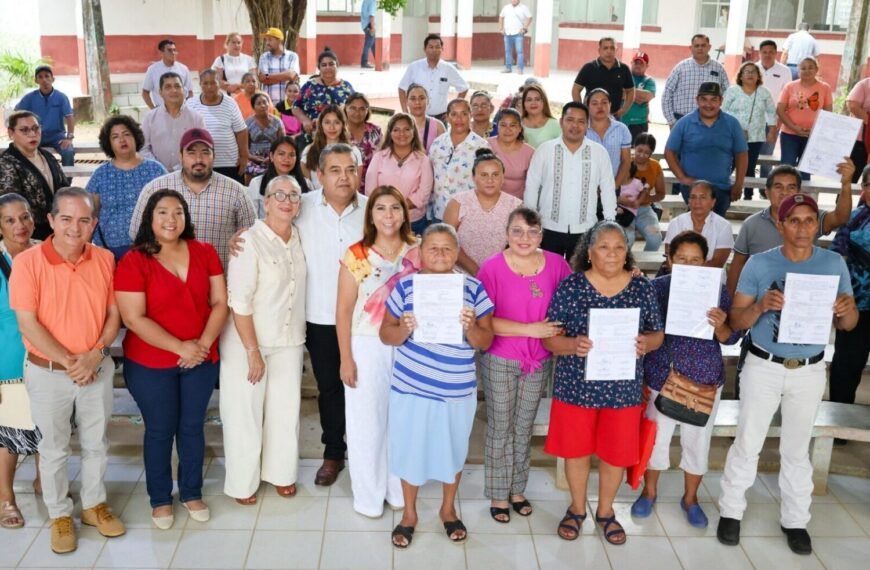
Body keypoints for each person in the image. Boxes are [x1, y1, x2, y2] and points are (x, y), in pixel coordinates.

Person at [717, 193, 858, 556]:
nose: (802, 228)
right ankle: (731, 511)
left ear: (817, 224)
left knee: (797, 449)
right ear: (780, 225)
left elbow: (850, 323)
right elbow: (736, 321)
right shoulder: (761, 266)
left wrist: (845, 310)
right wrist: (763, 305)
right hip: (764, 364)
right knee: (748, 442)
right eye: (793, 220)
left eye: (809, 220)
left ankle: (796, 520)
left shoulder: (833, 263)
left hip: (809, 369)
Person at [10, 187, 125, 554]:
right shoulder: (28, 263)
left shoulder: (105, 258)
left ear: (93, 223)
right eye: (66, 219)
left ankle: (93, 506)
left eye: (84, 220)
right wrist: (70, 362)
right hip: (47, 373)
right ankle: (60, 514)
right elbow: (28, 324)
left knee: (96, 444)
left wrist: (96, 354)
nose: (75, 228)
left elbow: (114, 315)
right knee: (54, 449)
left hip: (97, 368)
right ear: (51, 221)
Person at [542, 221, 663, 544]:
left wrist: (645, 344)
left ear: (627, 253)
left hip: (622, 388)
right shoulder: (572, 287)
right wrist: (572, 345)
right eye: (604, 247)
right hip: (575, 387)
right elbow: (551, 339)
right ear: (590, 252)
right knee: (576, 451)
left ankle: (606, 511)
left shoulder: (641, 288)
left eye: (619, 247)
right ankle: (577, 509)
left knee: (615, 453)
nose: (612, 253)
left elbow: (657, 334)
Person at [115, 189, 226, 529]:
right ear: (150, 218)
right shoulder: (134, 260)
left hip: (201, 360)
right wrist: (182, 348)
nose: (170, 219)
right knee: (161, 430)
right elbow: (133, 318)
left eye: (177, 212)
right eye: (162, 212)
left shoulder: (204, 251)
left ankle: (191, 491)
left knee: (192, 428)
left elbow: (220, 302)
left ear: (186, 217)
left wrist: (202, 345)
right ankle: (161, 498)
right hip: (151, 363)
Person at [380, 223, 494, 548]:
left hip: (455, 389)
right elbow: (385, 334)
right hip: (410, 387)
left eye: (448, 248)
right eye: (434, 248)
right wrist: (402, 328)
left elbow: (486, 340)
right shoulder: (405, 287)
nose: (441, 254)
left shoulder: (473, 288)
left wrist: (471, 329)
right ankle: (410, 514)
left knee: (453, 450)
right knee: (409, 449)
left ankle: (447, 509)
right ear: (420, 253)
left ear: (457, 253)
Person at [631, 231, 740, 528]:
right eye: (682, 259)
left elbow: (731, 338)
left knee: (697, 444)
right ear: (669, 259)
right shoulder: (656, 289)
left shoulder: (717, 292)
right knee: (656, 441)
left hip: (704, 381)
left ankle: (690, 499)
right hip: (661, 378)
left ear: (705, 262)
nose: (689, 265)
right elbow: (639, 332)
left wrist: (720, 326)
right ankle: (649, 492)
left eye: (695, 259)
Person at [477, 207, 571, 523]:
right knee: (501, 425)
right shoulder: (491, 268)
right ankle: (498, 493)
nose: (524, 238)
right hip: (500, 358)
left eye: (532, 232)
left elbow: (574, 300)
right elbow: (485, 321)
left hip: (538, 361)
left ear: (541, 235)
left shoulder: (556, 265)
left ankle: (517, 489)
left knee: (523, 426)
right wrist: (529, 329)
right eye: (517, 231)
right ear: (506, 234)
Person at [221, 176, 306, 505]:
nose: (287, 201)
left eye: (294, 196)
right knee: (244, 413)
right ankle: (243, 483)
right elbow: (239, 301)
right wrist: (252, 351)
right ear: (266, 202)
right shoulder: (249, 241)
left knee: (286, 411)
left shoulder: (300, 236)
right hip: (248, 340)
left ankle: (280, 473)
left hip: (289, 338)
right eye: (279, 195)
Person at [336, 185, 419, 517]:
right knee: (366, 422)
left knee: (402, 420)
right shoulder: (356, 254)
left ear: (404, 213)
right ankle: (368, 496)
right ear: (371, 215)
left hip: (410, 343)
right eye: (381, 208)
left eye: (395, 208)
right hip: (367, 344)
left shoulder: (418, 250)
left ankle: (398, 489)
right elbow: (342, 311)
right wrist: (346, 358)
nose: (389, 215)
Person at [131, 128, 256, 268]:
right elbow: (138, 234)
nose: (198, 159)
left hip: (222, 279)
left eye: (205, 152)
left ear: (214, 155)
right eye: (191, 153)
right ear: (180, 155)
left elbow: (253, 236)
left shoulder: (235, 191)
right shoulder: (155, 188)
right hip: (169, 281)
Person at [726, 163, 855, 295]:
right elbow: (737, 265)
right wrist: (730, 304)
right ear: (767, 192)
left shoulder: (810, 218)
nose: (785, 192)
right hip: (762, 300)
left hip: (805, 294)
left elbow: (841, 218)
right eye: (778, 187)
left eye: (791, 187)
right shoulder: (751, 224)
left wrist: (846, 185)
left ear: (799, 192)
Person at [524, 102, 616, 258]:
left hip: (585, 229)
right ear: (561, 122)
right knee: (549, 277)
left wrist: (609, 223)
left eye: (581, 122)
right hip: (548, 228)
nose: (575, 126)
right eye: (570, 120)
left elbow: (607, 189)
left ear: (588, 125)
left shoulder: (599, 153)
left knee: (581, 278)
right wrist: (531, 224)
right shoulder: (544, 150)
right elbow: (531, 187)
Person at [0, 194, 42, 530]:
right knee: (9, 435)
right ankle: (6, 498)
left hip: (46, 354)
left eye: (25, 217)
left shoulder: (46, 252)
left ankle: (45, 481)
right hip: (9, 359)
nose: (20, 225)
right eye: (11, 220)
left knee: (49, 426)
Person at [86, 115, 167, 261]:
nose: (122, 140)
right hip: (110, 252)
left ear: (136, 137)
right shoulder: (100, 174)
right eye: (115, 137)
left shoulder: (155, 170)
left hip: (152, 250)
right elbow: (91, 213)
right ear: (108, 143)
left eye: (126, 134)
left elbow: (169, 207)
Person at [665, 82, 748, 217]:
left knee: (716, 228)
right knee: (696, 227)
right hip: (692, 189)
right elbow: (669, 152)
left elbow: (742, 154)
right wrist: (682, 178)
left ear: (721, 101)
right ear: (697, 100)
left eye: (713, 100)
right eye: (704, 99)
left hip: (721, 188)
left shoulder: (732, 124)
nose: (708, 105)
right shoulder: (684, 123)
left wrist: (739, 184)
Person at [828, 166, 870, 411]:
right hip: (856, 306)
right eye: (869, 185)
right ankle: (839, 416)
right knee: (847, 365)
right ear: (863, 189)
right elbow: (836, 257)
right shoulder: (854, 219)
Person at [443, 149, 523, 275]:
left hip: (499, 273)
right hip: (459, 273)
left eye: (495, 174)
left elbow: (520, 244)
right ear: (473, 177)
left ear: (503, 177)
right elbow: (446, 241)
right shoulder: (458, 203)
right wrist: (477, 271)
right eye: (484, 175)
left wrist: (493, 273)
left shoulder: (515, 206)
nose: (490, 180)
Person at [0, 111, 70, 240]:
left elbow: (64, 187)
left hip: (56, 229)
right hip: (28, 234)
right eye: (24, 130)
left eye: (35, 128)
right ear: (11, 133)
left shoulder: (48, 156)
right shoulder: (6, 163)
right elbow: (11, 204)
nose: (32, 134)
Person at [365, 113, 433, 235]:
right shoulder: (379, 157)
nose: (402, 134)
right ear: (390, 133)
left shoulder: (423, 160)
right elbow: (370, 191)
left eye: (407, 129)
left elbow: (424, 193)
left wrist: (396, 207)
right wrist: (389, 210)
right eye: (396, 130)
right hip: (384, 220)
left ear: (414, 132)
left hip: (413, 222)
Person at [428, 98, 490, 223]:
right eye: (454, 114)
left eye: (464, 114)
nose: (459, 119)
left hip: (466, 216)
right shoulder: (438, 143)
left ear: (470, 115)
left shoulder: (482, 146)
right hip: (438, 213)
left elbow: (486, 183)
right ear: (447, 117)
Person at [723, 62, 777, 200]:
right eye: (746, 71)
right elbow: (722, 111)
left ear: (758, 76)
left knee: (750, 166)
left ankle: (748, 196)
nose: (750, 74)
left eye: (753, 72)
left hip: (755, 137)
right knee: (729, 165)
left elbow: (771, 112)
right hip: (732, 136)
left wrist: (772, 130)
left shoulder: (764, 92)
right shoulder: (732, 91)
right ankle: (725, 193)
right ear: (741, 76)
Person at [187, 69, 249, 183]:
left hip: (230, 163)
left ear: (219, 84)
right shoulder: (190, 104)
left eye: (213, 83)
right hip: (201, 163)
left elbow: (241, 131)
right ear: (200, 84)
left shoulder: (230, 103)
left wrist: (244, 157)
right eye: (205, 83)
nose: (209, 87)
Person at [777, 57, 833, 180]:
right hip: (789, 134)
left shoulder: (825, 88)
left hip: (812, 136)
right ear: (798, 70)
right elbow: (780, 110)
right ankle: (785, 198)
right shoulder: (789, 86)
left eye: (810, 67)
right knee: (786, 168)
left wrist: (816, 130)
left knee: (806, 171)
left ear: (817, 69)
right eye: (803, 68)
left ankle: (804, 198)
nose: (807, 71)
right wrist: (795, 128)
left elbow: (828, 113)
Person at [141, 72, 206, 172]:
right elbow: (143, 148)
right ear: (160, 92)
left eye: (177, 86)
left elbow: (201, 147)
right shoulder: (150, 118)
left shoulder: (196, 118)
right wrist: (159, 169)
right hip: (156, 174)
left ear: (183, 91)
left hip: (188, 174)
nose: (173, 90)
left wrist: (181, 169)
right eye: (168, 87)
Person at [662, 34, 730, 127]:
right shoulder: (680, 68)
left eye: (703, 45)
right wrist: (672, 121)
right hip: (681, 121)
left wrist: (721, 119)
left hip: (711, 122)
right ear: (691, 48)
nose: (700, 48)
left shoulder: (719, 68)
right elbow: (667, 94)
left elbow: (728, 95)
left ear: (709, 47)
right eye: (697, 46)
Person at [398, 34, 469, 122]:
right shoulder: (414, 67)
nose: (434, 50)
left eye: (437, 47)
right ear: (425, 49)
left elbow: (464, 87)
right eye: (431, 47)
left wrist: (453, 110)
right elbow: (402, 89)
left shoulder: (448, 68)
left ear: (442, 49)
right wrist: (405, 112)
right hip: (417, 118)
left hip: (441, 118)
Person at [14, 65, 75, 166]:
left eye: (47, 76)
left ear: (53, 79)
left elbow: (70, 117)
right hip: (35, 135)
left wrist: (69, 138)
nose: (44, 80)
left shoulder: (61, 97)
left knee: (68, 152)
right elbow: (16, 114)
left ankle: (66, 181)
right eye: (40, 77)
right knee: (19, 151)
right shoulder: (29, 98)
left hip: (57, 136)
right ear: (36, 81)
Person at [664, 181, 734, 268]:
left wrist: (691, 273)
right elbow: (669, 257)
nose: (697, 202)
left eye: (703, 197)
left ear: (713, 202)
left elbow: (717, 263)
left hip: (710, 277)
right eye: (693, 197)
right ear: (688, 201)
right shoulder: (676, 223)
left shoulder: (724, 226)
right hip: (679, 277)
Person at [293, 48, 355, 135]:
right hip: (313, 134)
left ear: (337, 65)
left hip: (339, 135)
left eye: (331, 64)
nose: (328, 67)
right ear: (319, 68)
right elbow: (295, 107)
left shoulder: (346, 86)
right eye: (324, 65)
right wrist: (305, 120)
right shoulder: (310, 85)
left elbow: (354, 108)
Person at [300, 105, 362, 191]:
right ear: (321, 125)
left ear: (343, 125)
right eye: (327, 122)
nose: (332, 127)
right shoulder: (309, 150)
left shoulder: (354, 151)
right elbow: (306, 186)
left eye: (336, 122)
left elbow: (355, 187)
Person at [572, 38, 634, 119]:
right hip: (591, 117)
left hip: (614, 116)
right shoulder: (589, 68)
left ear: (616, 50)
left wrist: (623, 110)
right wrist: (581, 110)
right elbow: (576, 90)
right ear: (599, 50)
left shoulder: (624, 69)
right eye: (605, 48)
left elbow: (631, 91)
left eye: (612, 48)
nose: (609, 51)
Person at [755, 40, 791, 182]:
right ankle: (748, 187)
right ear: (760, 53)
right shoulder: (752, 68)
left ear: (776, 53)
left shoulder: (784, 71)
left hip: (772, 120)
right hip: (752, 120)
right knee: (749, 154)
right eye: (764, 52)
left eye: (771, 52)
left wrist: (780, 121)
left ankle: (765, 186)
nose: (767, 55)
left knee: (767, 155)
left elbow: (786, 98)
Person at [248, 136, 310, 219]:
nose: (286, 159)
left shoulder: (306, 183)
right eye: (281, 154)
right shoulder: (257, 183)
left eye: (291, 155)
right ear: (271, 156)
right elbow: (252, 219)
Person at [585, 88, 632, 187]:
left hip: (613, 185)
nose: (600, 106)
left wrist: (613, 187)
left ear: (610, 105)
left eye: (604, 102)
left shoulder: (622, 129)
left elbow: (626, 161)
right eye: (594, 103)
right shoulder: (582, 129)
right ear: (588, 107)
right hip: (585, 187)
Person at [629, 133, 665, 251]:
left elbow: (661, 193)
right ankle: (624, 266)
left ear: (651, 153)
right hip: (624, 209)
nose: (642, 155)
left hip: (644, 209)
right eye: (639, 150)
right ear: (634, 146)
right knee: (627, 239)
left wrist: (644, 200)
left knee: (655, 238)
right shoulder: (626, 162)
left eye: (647, 152)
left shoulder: (655, 166)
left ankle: (645, 268)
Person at [488, 108, 534, 199]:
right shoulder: (485, 145)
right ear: (497, 127)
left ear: (520, 128)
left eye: (512, 125)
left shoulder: (530, 153)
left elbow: (533, 185)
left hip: (516, 205)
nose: (507, 129)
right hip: (487, 201)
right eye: (503, 125)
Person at [345, 93, 383, 194]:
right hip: (347, 186)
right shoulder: (339, 131)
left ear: (367, 111)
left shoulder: (375, 131)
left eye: (362, 109)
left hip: (373, 187)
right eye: (353, 108)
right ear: (345, 108)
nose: (357, 112)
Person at [142, 39, 193, 109]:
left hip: (181, 111)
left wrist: (188, 108)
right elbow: (145, 92)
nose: (173, 53)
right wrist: (153, 109)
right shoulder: (152, 70)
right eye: (169, 50)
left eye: (174, 50)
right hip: (161, 111)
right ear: (161, 52)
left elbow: (190, 92)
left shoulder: (183, 69)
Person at [245, 92, 285, 180]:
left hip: (273, 157)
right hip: (253, 158)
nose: (263, 105)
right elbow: (245, 147)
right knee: (249, 170)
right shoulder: (248, 123)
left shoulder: (277, 122)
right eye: (259, 103)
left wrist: (272, 156)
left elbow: (282, 144)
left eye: (264, 102)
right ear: (253, 107)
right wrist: (252, 157)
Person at [257, 27, 300, 106]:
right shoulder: (264, 57)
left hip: (288, 105)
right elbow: (262, 78)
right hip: (269, 105)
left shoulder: (292, 56)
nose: (267, 43)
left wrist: (268, 76)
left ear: (279, 40)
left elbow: (291, 75)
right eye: (266, 40)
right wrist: (285, 75)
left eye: (270, 40)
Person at [622, 52, 656, 142]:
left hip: (639, 124)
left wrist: (627, 92)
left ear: (647, 66)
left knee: (636, 152)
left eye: (641, 63)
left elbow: (647, 96)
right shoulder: (623, 76)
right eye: (636, 62)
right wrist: (637, 96)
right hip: (620, 121)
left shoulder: (649, 81)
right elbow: (616, 92)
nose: (638, 65)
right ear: (631, 63)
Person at [405, 84, 445, 153]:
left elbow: (444, 153)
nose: (417, 102)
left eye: (421, 98)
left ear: (428, 101)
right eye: (413, 98)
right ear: (407, 102)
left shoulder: (438, 126)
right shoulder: (398, 125)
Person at [520, 83, 561, 149]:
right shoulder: (517, 124)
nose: (533, 103)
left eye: (537, 99)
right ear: (524, 104)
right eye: (529, 100)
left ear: (544, 102)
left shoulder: (555, 125)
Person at [499, 0, 532, 74]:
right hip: (507, 33)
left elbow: (529, 17)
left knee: (519, 52)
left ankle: (520, 69)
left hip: (518, 33)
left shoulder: (524, 8)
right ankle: (508, 68)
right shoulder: (506, 7)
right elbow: (501, 17)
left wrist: (524, 28)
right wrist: (501, 28)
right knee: (508, 51)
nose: (513, 0)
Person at [360, 0, 377, 69]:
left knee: (373, 44)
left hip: (364, 25)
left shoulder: (365, 1)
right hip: (369, 25)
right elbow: (371, 16)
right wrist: (372, 28)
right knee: (368, 45)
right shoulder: (372, 1)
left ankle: (378, 59)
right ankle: (364, 62)